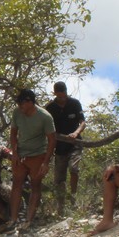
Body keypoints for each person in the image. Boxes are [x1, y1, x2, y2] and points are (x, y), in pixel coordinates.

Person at [8, 89, 56, 230]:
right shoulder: (17, 113)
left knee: (35, 185)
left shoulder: (45, 117)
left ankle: (28, 220)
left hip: (38, 154)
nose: (19, 106)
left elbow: (52, 140)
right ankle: (13, 219)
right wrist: (14, 153)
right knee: (16, 184)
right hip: (21, 154)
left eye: (21, 103)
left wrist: (45, 162)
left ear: (29, 102)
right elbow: (13, 134)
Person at [44, 82, 86, 216]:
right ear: (55, 93)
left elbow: (83, 122)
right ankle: (60, 207)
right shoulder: (49, 107)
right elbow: (44, 126)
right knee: (59, 180)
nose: (62, 97)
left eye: (64, 94)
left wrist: (76, 133)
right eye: (59, 95)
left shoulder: (74, 103)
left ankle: (73, 197)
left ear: (66, 91)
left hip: (75, 144)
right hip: (59, 147)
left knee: (74, 168)